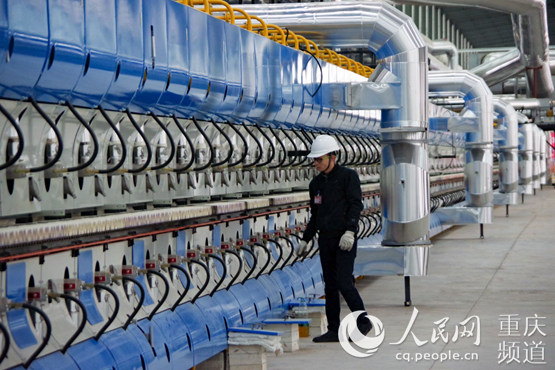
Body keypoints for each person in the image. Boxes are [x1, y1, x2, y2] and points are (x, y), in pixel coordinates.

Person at [296, 134, 372, 343]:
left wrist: (350, 231)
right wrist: (306, 238)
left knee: (344, 282)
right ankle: (333, 329)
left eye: (319, 159)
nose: (316, 163)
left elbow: (356, 205)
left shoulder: (348, 177)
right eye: (315, 159)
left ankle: (363, 322)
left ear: (333, 156)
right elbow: (316, 214)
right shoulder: (316, 184)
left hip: (344, 238)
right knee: (329, 284)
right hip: (326, 239)